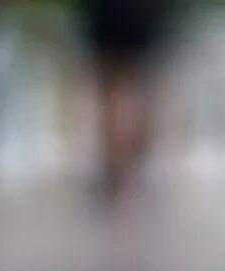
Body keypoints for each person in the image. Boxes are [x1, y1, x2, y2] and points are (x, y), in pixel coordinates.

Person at [74, 0, 175, 203]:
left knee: (112, 92)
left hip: (112, 14)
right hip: (137, 14)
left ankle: (118, 163)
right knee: (139, 91)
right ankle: (128, 164)